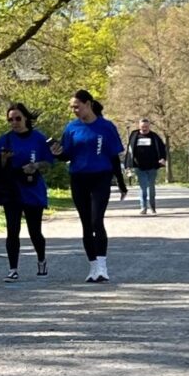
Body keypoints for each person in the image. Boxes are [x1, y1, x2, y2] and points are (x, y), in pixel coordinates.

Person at [50, 89, 126, 283]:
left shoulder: (106, 126)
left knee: (96, 220)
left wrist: (121, 182)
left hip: (101, 177)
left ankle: (102, 265)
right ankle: (92, 266)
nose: (74, 110)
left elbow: (113, 156)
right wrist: (57, 153)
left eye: (77, 106)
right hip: (78, 177)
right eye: (72, 107)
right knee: (85, 223)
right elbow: (67, 155)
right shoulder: (71, 128)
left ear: (88, 104)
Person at [0, 103, 55, 282]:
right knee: (12, 230)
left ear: (26, 118)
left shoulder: (38, 138)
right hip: (11, 190)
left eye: (18, 118)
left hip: (33, 188)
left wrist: (35, 166)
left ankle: (41, 260)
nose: (14, 122)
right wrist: (3, 160)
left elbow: (49, 162)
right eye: (10, 119)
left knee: (34, 231)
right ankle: (13, 269)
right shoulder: (4, 140)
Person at [125, 117, 167, 215]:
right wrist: (128, 164)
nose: (144, 128)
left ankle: (152, 207)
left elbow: (162, 149)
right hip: (139, 166)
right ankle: (143, 207)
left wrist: (162, 158)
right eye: (143, 126)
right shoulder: (134, 136)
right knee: (143, 187)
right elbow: (130, 151)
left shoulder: (154, 136)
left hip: (152, 166)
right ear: (139, 126)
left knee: (151, 187)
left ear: (149, 126)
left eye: (146, 126)